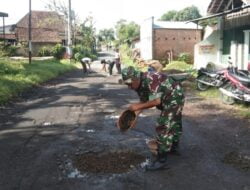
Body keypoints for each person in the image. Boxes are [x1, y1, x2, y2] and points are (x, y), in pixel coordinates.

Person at [121, 66, 185, 171]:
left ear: (136, 79)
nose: (130, 87)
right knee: (174, 120)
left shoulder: (151, 79)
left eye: (130, 84)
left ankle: (161, 161)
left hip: (174, 96)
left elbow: (156, 101)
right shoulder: (139, 85)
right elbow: (144, 101)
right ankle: (174, 148)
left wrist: (136, 107)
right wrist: (135, 116)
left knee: (164, 125)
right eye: (127, 84)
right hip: (167, 97)